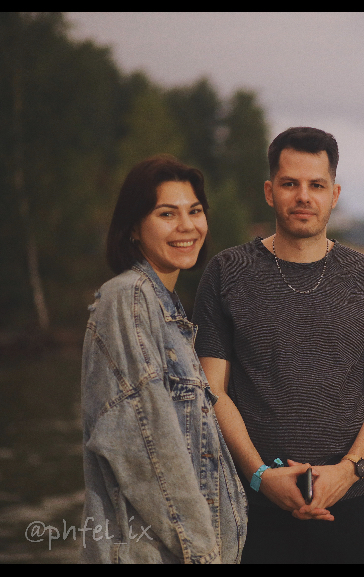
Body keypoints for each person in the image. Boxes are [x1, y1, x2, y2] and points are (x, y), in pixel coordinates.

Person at [192, 126, 364, 564]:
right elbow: (212, 389)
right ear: (270, 191)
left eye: (316, 185)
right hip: (254, 502)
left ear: (335, 194)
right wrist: (259, 476)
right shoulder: (227, 272)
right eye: (290, 184)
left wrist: (347, 472)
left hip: (358, 497)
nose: (303, 196)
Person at [81, 155, 247, 563]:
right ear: (133, 228)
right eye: (167, 214)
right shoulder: (128, 297)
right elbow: (144, 443)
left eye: (195, 211)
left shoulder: (168, 311)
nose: (187, 225)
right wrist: (203, 553)